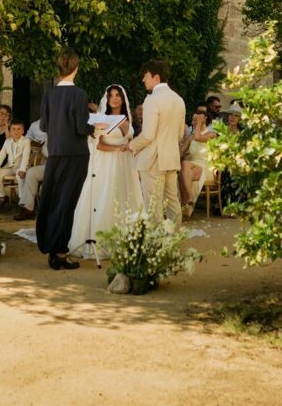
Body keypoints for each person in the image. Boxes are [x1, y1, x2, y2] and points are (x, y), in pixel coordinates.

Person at [67, 84, 141, 258]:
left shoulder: (127, 119)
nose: (114, 98)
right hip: (107, 163)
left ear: (123, 99)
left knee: (124, 197)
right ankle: (101, 240)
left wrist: (129, 147)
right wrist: (118, 150)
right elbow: (98, 144)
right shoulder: (102, 119)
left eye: (118, 95)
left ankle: (126, 239)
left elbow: (131, 139)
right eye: (111, 96)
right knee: (106, 197)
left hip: (126, 164)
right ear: (107, 99)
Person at [36, 51, 91, 270]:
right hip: (76, 155)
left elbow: (43, 126)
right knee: (67, 203)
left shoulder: (49, 94)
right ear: (76, 68)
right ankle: (59, 252)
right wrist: (96, 126)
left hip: (55, 153)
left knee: (52, 201)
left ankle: (53, 249)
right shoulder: (79, 94)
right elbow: (81, 128)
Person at [129, 59, 186, 225]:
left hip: (153, 160)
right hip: (171, 158)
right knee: (173, 203)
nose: (143, 80)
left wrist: (131, 145)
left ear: (156, 77)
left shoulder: (152, 99)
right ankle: (173, 243)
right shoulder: (179, 100)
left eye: (145, 76)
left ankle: (156, 246)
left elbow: (147, 135)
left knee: (153, 206)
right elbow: (180, 135)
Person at [180, 104, 217, 218]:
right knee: (184, 166)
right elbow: (180, 153)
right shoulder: (191, 137)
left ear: (204, 120)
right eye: (193, 120)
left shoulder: (212, 134)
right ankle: (189, 199)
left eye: (195, 120)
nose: (193, 122)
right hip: (192, 166)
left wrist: (200, 123)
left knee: (185, 167)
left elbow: (198, 138)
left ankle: (187, 200)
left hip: (207, 167)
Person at [0, 119, 30, 211]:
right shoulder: (7, 141)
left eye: (19, 129)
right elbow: (1, 155)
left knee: (20, 177)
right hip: (10, 167)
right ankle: (3, 197)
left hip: (21, 167)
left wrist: (22, 169)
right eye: (14, 129)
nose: (16, 131)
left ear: (23, 131)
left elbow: (26, 157)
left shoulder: (26, 141)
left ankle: (21, 200)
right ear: (10, 131)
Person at [15, 117, 48, 221]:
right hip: (42, 163)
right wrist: (34, 143)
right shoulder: (35, 124)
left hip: (59, 163)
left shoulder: (62, 123)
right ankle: (28, 209)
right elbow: (26, 139)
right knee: (30, 172)